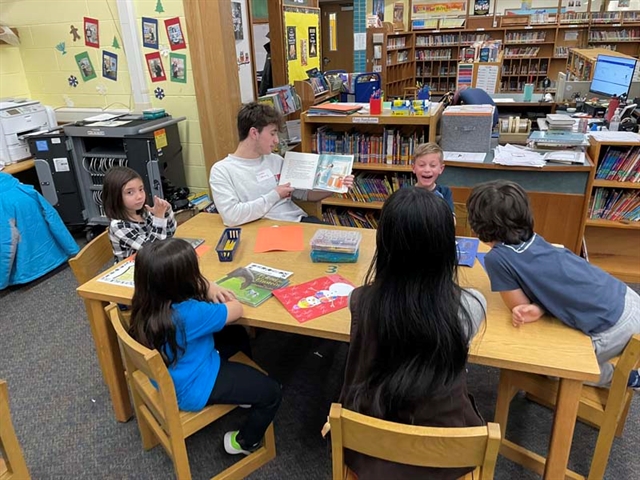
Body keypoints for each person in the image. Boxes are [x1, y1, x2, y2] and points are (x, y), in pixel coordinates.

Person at [339, 187, 487, 479]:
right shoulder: (472, 305)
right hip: (446, 456)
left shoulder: (358, 300)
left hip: (370, 451)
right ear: (446, 247)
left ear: (384, 245)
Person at [466, 180, 640, 389]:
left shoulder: (497, 258)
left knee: (554, 369)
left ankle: (626, 379)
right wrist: (539, 307)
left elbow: (518, 306)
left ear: (478, 224)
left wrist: (533, 307)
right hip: (627, 297)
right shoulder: (533, 238)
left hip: (612, 328)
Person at [129, 238, 282, 455]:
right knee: (272, 392)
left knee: (235, 333)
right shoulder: (190, 313)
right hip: (195, 385)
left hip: (173, 373)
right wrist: (211, 288)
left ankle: (244, 395)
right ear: (185, 281)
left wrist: (209, 288)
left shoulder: (145, 304)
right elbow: (236, 309)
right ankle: (245, 442)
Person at [209, 102, 354, 226]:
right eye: (272, 134)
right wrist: (275, 194)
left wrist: (335, 186)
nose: (276, 140)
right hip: (261, 231)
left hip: (297, 223)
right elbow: (231, 217)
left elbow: (304, 194)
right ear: (254, 133)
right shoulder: (222, 171)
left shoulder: (276, 160)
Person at [103, 166, 176, 262]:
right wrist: (159, 219)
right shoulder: (118, 226)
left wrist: (166, 211)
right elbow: (153, 250)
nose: (139, 196)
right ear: (115, 197)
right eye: (130, 192)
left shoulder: (145, 213)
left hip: (152, 263)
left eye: (141, 189)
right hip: (132, 271)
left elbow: (169, 234)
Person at [412, 142, 455, 215]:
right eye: (422, 165)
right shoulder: (406, 193)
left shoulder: (445, 192)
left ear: (441, 169)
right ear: (413, 168)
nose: (427, 170)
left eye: (433, 165)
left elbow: (452, 220)